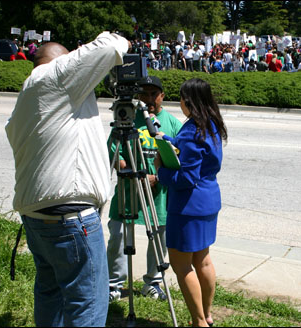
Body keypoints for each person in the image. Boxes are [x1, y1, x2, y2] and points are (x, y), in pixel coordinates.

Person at [5, 32, 130, 327]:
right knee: (86, 307)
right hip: (71, 220)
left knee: (50, 297)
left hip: (37, 219)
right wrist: (81, 52)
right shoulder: (56, 75)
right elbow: (115, 44)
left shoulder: (26, 98)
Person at [154, 78, 227, 327]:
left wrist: (159, 174)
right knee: (203, 260)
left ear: (189, 101)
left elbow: (186, 177)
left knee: (181, 265)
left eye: (182, 98)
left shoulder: (192, 131)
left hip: (187, 207)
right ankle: (206, 315)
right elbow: (197, 156)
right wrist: (170, 140)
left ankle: (198, 322)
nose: (180, 102)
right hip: (207, 201)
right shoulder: (211, 125)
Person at [107, 75, 182, 302]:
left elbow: (178, 158)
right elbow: (114, 150)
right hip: (127, 192)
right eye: (144, 94)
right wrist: (130, 173)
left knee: (158, 238)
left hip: (157, 196)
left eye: (153, 94)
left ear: (162, 96)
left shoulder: (172, 124)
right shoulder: (127, 119)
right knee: (118, 237)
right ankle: (114, 284)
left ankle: (153, 282)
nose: (149, 99)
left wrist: (157, 177)